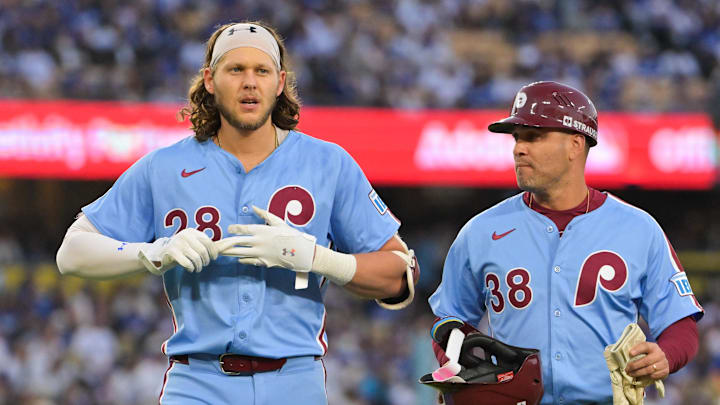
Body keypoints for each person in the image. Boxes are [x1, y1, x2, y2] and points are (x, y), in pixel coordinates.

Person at [56, 21, 418, 405]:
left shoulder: (328, 163)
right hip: (196, 382)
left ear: (279, 82)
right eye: (236, 70)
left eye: (261, 71)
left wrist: (318, 258)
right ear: (210, 80)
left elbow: (401, 273)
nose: (250, 82)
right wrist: (152, 252)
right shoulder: (164, 166)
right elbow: (72, 251)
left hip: (295, 380)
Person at [427, 81, 703, 404]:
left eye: (534, 136)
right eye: (517, 138)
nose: (518, 148)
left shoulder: (639, 229)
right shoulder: (480, 232)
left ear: (575, 144)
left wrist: (666, 355)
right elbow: (449, 320)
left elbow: (681, 324)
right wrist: (458, 361)